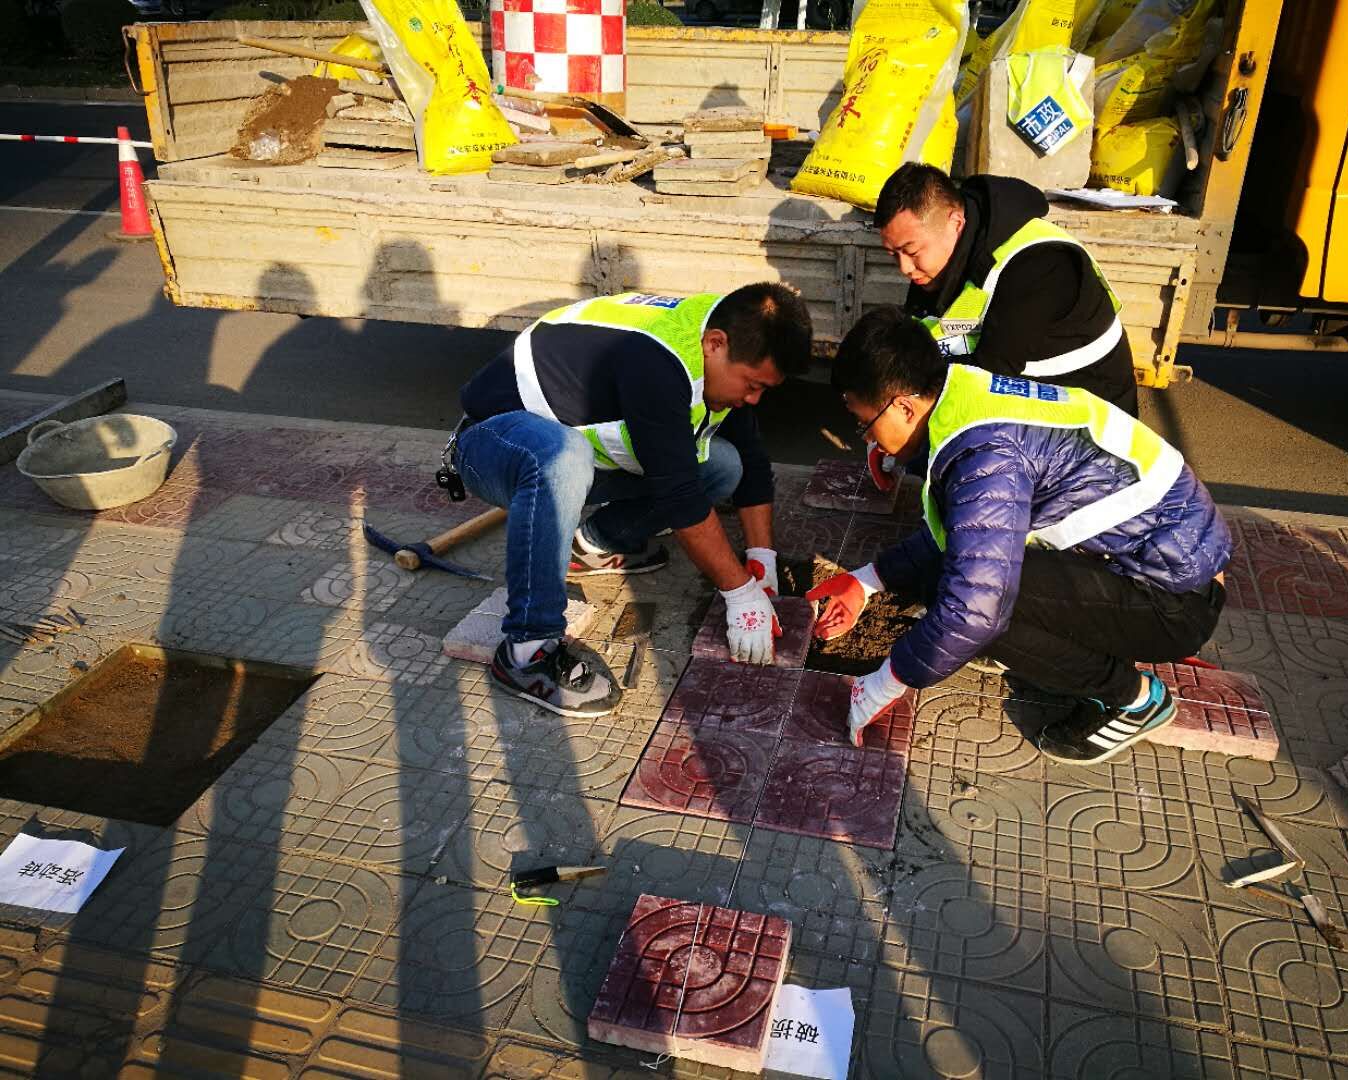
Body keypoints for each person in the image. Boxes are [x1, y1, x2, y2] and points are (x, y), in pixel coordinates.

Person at [807, 307, 1231, 764]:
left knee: (981, 614)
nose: (869, 441)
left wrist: (882, 683)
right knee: (967, 584)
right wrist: (866, 581)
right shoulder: (966, 396)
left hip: (1176, 602)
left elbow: (976, 612)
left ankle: (1135, 699)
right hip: (1161, 562)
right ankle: (1095, 652)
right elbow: (967, 532)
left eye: (865, 424)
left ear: (903, 406)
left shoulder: (986, 453)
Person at [455, 284, 812, 718]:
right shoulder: (659, 363)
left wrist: (761, 558)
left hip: (574, 453)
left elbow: (751, 459)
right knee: (564, 457)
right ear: (715, 344)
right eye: (753, 385)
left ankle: (593, 544)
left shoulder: (725, 333)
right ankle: (526, 651)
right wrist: (740, 592)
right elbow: (679, 496)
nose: (753, 398)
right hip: (491, 444)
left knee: (723, 466)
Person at [874, 163, 1140, 417]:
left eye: (911, 251)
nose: (904, 268)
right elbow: (918, 338)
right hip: (1029, 403)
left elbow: (986, 381)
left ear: (956, 223)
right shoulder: (940, 262)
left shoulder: (1039, 266)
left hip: (1087, 419)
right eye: (893, 254)